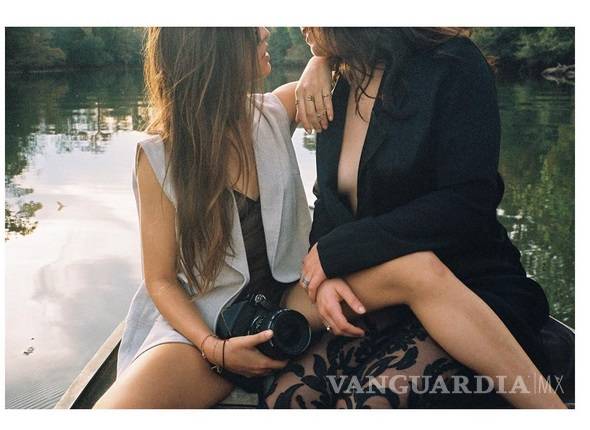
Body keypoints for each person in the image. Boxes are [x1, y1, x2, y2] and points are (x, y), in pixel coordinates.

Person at [260, 27, 566, 408]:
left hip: (469, 291)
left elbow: (469, 202)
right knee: (285, 397)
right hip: (381, 299)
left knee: (372, 403)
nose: (301, 23)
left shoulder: (453, 64)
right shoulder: (336, 85)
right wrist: (324, 279)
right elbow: (328, 204)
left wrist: (341, 250)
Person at [93, 27, 314, 408]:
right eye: (250, 26)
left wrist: (320, 63)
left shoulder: (278, 111)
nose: (266, 30)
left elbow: (348, 63)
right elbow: (161, 280)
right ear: (214, 49)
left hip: (293, 302)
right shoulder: (159, 157)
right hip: (203, 325)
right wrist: (214, 348)